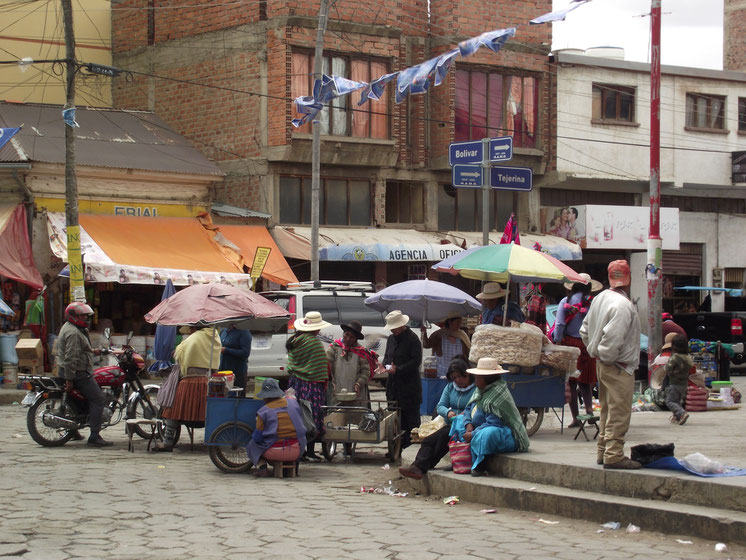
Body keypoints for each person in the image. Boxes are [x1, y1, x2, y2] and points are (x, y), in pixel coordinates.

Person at [580, 260, 641, 470]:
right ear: (628, 279)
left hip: (603, 362)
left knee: (607, 410)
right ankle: (613, 454)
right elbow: (613, 339)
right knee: (618, 411)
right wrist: (606, 356)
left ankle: (602, 451)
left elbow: (584, 330)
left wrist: (594, 351)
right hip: (617, 365)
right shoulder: (623, 305)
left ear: (609, 279)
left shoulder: (600, 298)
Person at [449, 357, 530, 476]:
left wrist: (472, 433)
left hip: (504, 433)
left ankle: (480, 464)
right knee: (458, 419)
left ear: (487, 379)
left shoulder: (497, 394)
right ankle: (459, 458)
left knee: (488, 433)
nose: (475, 381)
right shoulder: (479, 390)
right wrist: (468, 423)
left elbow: (493, 423)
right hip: (477, 426)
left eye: (477, 378)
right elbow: (468, 408)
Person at [399, 356, 476, 480]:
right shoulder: (451, 387)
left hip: (465, 426)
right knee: (428, 440)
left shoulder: (475, 389)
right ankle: (418, 466)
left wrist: (462, 416)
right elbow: (441, 406)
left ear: (467, 374)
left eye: (461, 376)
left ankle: (420, 466)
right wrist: (448, 412)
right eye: (454, 378)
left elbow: (474, 409)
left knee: (442, 438)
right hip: (451, 423)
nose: (458, 380)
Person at [56, 302, 112, 447]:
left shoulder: (75, 329)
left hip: (72, 369)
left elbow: (82, 349)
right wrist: (69, 378)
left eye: (87, 315)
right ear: (73, 316)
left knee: (78, 400)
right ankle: (94, 436)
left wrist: (95, 351)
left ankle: (73, 430)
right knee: (99, 399)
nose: (86, 318)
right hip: (78, 372)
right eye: (82, 315)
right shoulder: (74, 332)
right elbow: (71, 357)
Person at [158, 326, 221, 451]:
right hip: (208, 381)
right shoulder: (215, 337)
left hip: (190, 381)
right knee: (211, 413)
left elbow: (179, 355)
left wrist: (177, 352)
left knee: (171, 410)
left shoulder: (193, 338)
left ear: (194, 328)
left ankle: (167, 442)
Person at [553, 272, 602, 428]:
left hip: (570, 344)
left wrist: (557, 340)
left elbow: (560, 324)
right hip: (588, 344)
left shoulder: (565, 301)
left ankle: (576, 418)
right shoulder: (594, 303)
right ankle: (589, 411)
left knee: (572, 382)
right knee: (586, 382)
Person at [287, 311, 330, 462]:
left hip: (295, 384)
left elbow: (291, 364)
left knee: (298, 416)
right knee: (311, 417)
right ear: (316, 328)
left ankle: (301, 450)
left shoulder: (296, 340)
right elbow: (320, 367)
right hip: (311, 386)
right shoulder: (314, 343)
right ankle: (310, 452)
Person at [381, 310, 422, 452]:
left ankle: (411, 449)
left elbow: (416, 361)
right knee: (394, 417)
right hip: (393, 385)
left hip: (409, 386)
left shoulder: (412, 339)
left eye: (395, 327)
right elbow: (387, 356)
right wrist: (384, 366)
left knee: (410, 419)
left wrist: (399, 369)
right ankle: (396, 448)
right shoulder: (391, 339)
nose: (393, 330)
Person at [247, 378, 306, 477]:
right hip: (297, 450)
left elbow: (258, 438)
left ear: (265, 397)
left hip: (275, 452)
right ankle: (294, 468)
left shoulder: (263, 411)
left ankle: (263, 468)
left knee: (252, 444)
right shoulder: (293, 404)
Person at [327, 320, 376, 408]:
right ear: (343, 333)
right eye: (347, 335)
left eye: (352, 337)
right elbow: (327, 367)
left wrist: (358, 384)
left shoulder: (361, 352)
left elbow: (366, 372)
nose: (348, 339)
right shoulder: (334, 348)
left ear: (356, 339)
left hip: (356, 394)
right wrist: (331, 382)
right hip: (336, 392)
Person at [420, 313, 470, 378]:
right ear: (450, 322)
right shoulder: (439, 334)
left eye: (460, 322)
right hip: (441, 370)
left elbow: (468, 351)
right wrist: (424, 333)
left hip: (457, 369)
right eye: (457, 322)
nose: (459, 325)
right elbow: (426, 344)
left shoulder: (462, 335)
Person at [663, 334, 693, 425]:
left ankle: (682, 413)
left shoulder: (675, 357)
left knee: (670, 401)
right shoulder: (688, 357)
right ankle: (677, 417)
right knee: (677, 401)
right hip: (683, 384)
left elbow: (667, 369)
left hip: (674, 383)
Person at [219, 324, 252, 391]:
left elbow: (245, 353)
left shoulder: (244, 332)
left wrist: (226, 350)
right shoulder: (223, 331)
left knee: (236, 396)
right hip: (223, 371)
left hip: (237, 372)